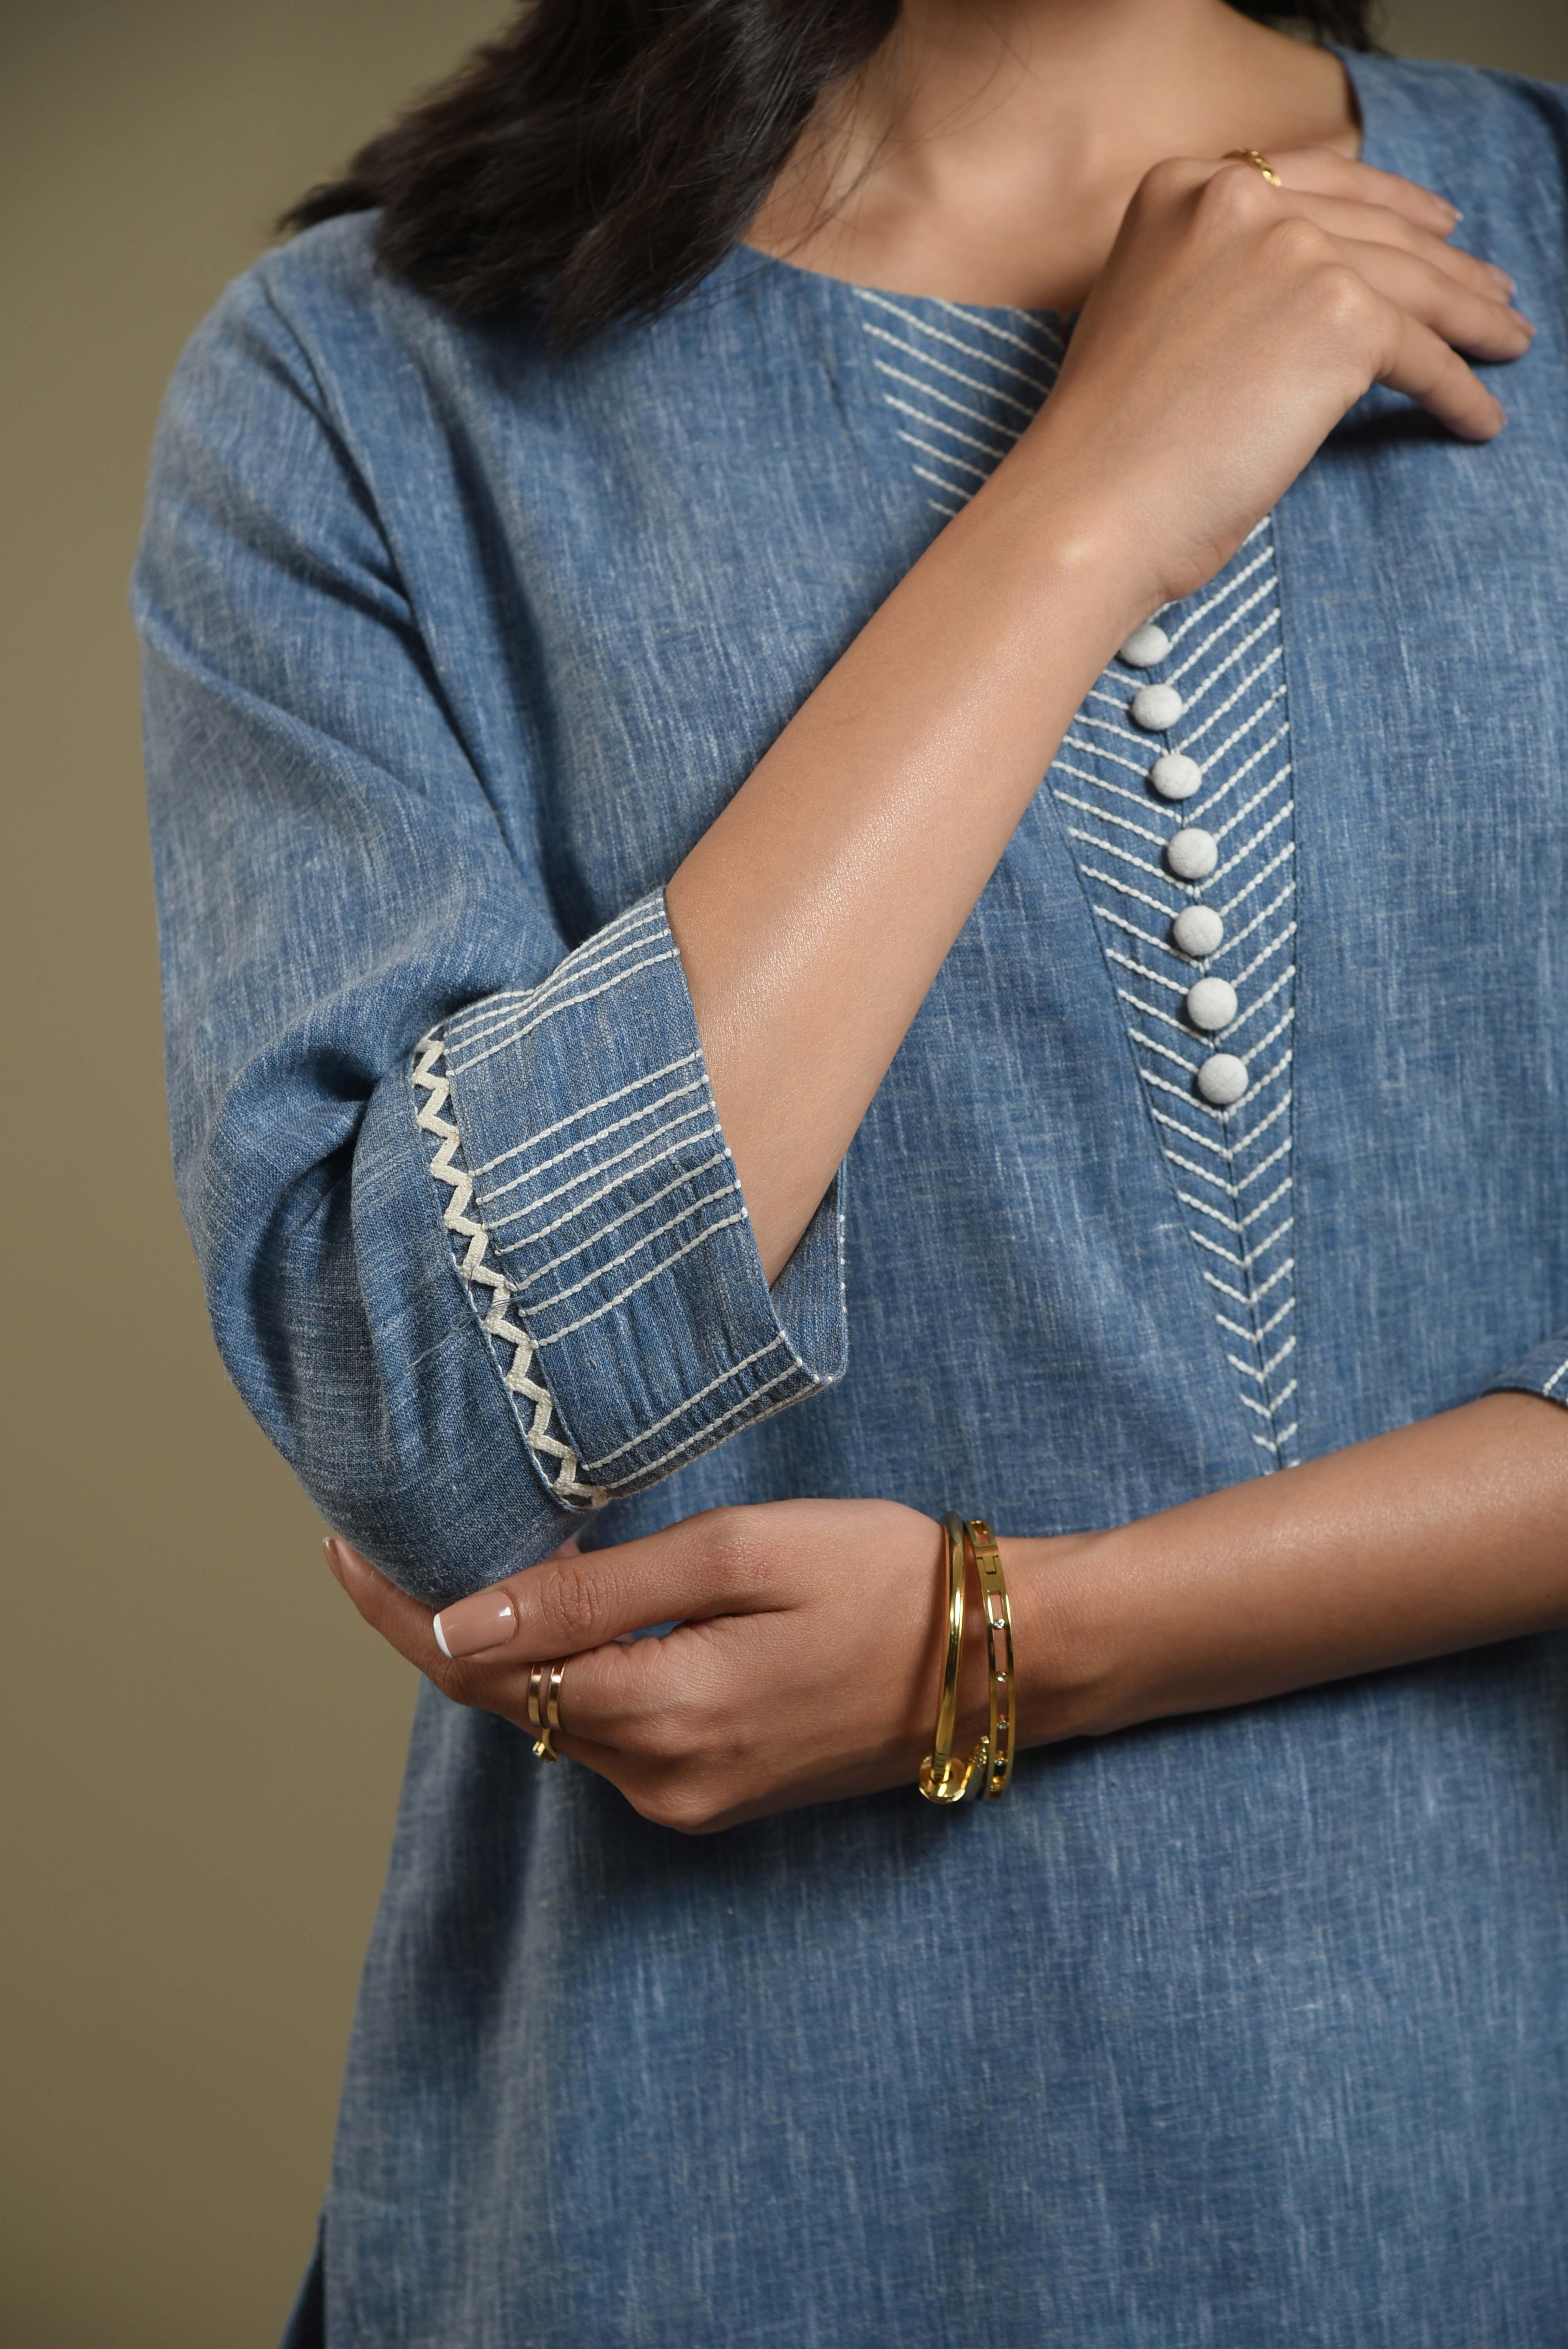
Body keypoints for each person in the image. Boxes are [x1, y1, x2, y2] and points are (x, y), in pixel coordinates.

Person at [135, 0, 1568, 2338]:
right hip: (712, 2216)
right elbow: (431, 1419)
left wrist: (1025, 1641)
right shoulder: (373, 379)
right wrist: (1081, 508)